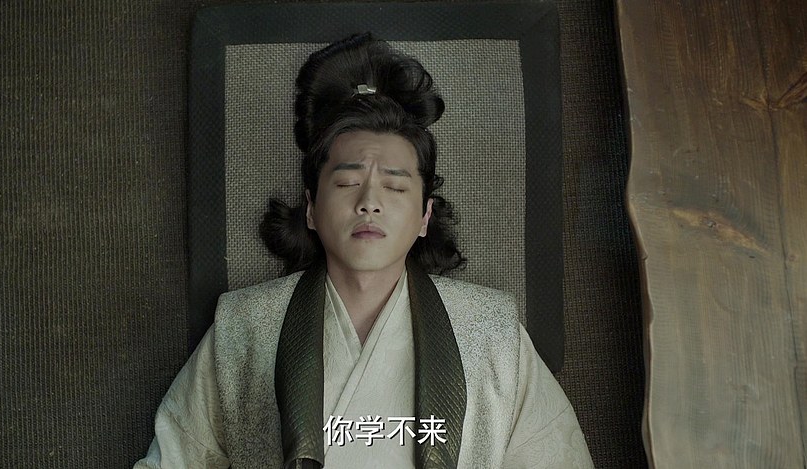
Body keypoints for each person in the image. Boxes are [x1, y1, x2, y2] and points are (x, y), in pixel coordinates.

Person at [135, 33, 593, 468]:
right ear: (311, 209)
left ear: (424, 216)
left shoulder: (493, 332)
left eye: (394, 187)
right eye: (347, 182)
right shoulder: (244, 327)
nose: (369, 201)